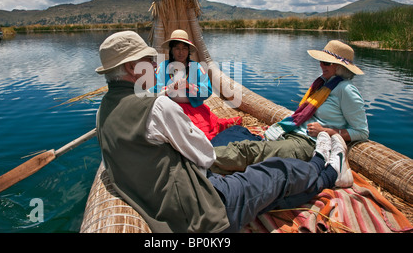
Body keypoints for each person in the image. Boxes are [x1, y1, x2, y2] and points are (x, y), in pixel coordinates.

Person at [95, 31, 351, 233]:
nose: (153, 63)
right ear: (131, 69)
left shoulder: (102, 111)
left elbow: (199, 95)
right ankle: (328, 168)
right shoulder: (156, 105)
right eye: (148, 60)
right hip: (205, 212)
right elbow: (205, 156)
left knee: (268, 187)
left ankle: (318, 168)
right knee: (278, 172)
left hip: (171, 205)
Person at [210, 40, 369, 175]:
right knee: (237, 133)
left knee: (248, 150)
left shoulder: (346, 90)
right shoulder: (324, 84)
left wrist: (326, 131)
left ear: (339, 67)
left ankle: (195, 162)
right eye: (321, 61)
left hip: (308, 143)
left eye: (326, 62)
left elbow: (361, 131)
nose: (321, 65)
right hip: (293, 133)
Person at [151, 29, 241, 139]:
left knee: (200, 136)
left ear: (188, 51)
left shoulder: (197, 68)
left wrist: (190, 86)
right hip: (169, 110)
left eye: (184, 48)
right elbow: (153, 90)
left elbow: (207, 92)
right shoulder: (162, 67)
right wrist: (168, 89)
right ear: (171, 50)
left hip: (193, 110)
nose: (181, 52)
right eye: (177, 48)